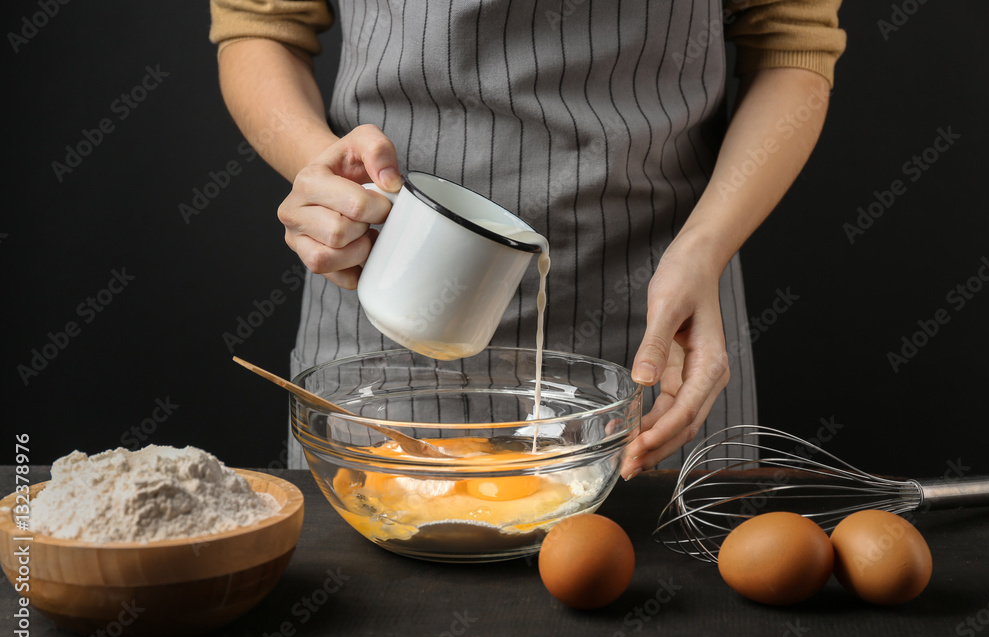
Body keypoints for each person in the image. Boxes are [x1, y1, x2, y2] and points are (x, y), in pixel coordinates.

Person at [210, 0, 846, 475]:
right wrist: (325, 170)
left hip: (659, 313)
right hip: (382, 297)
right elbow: (260, 25)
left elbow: (791, 43)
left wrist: (705, 245)